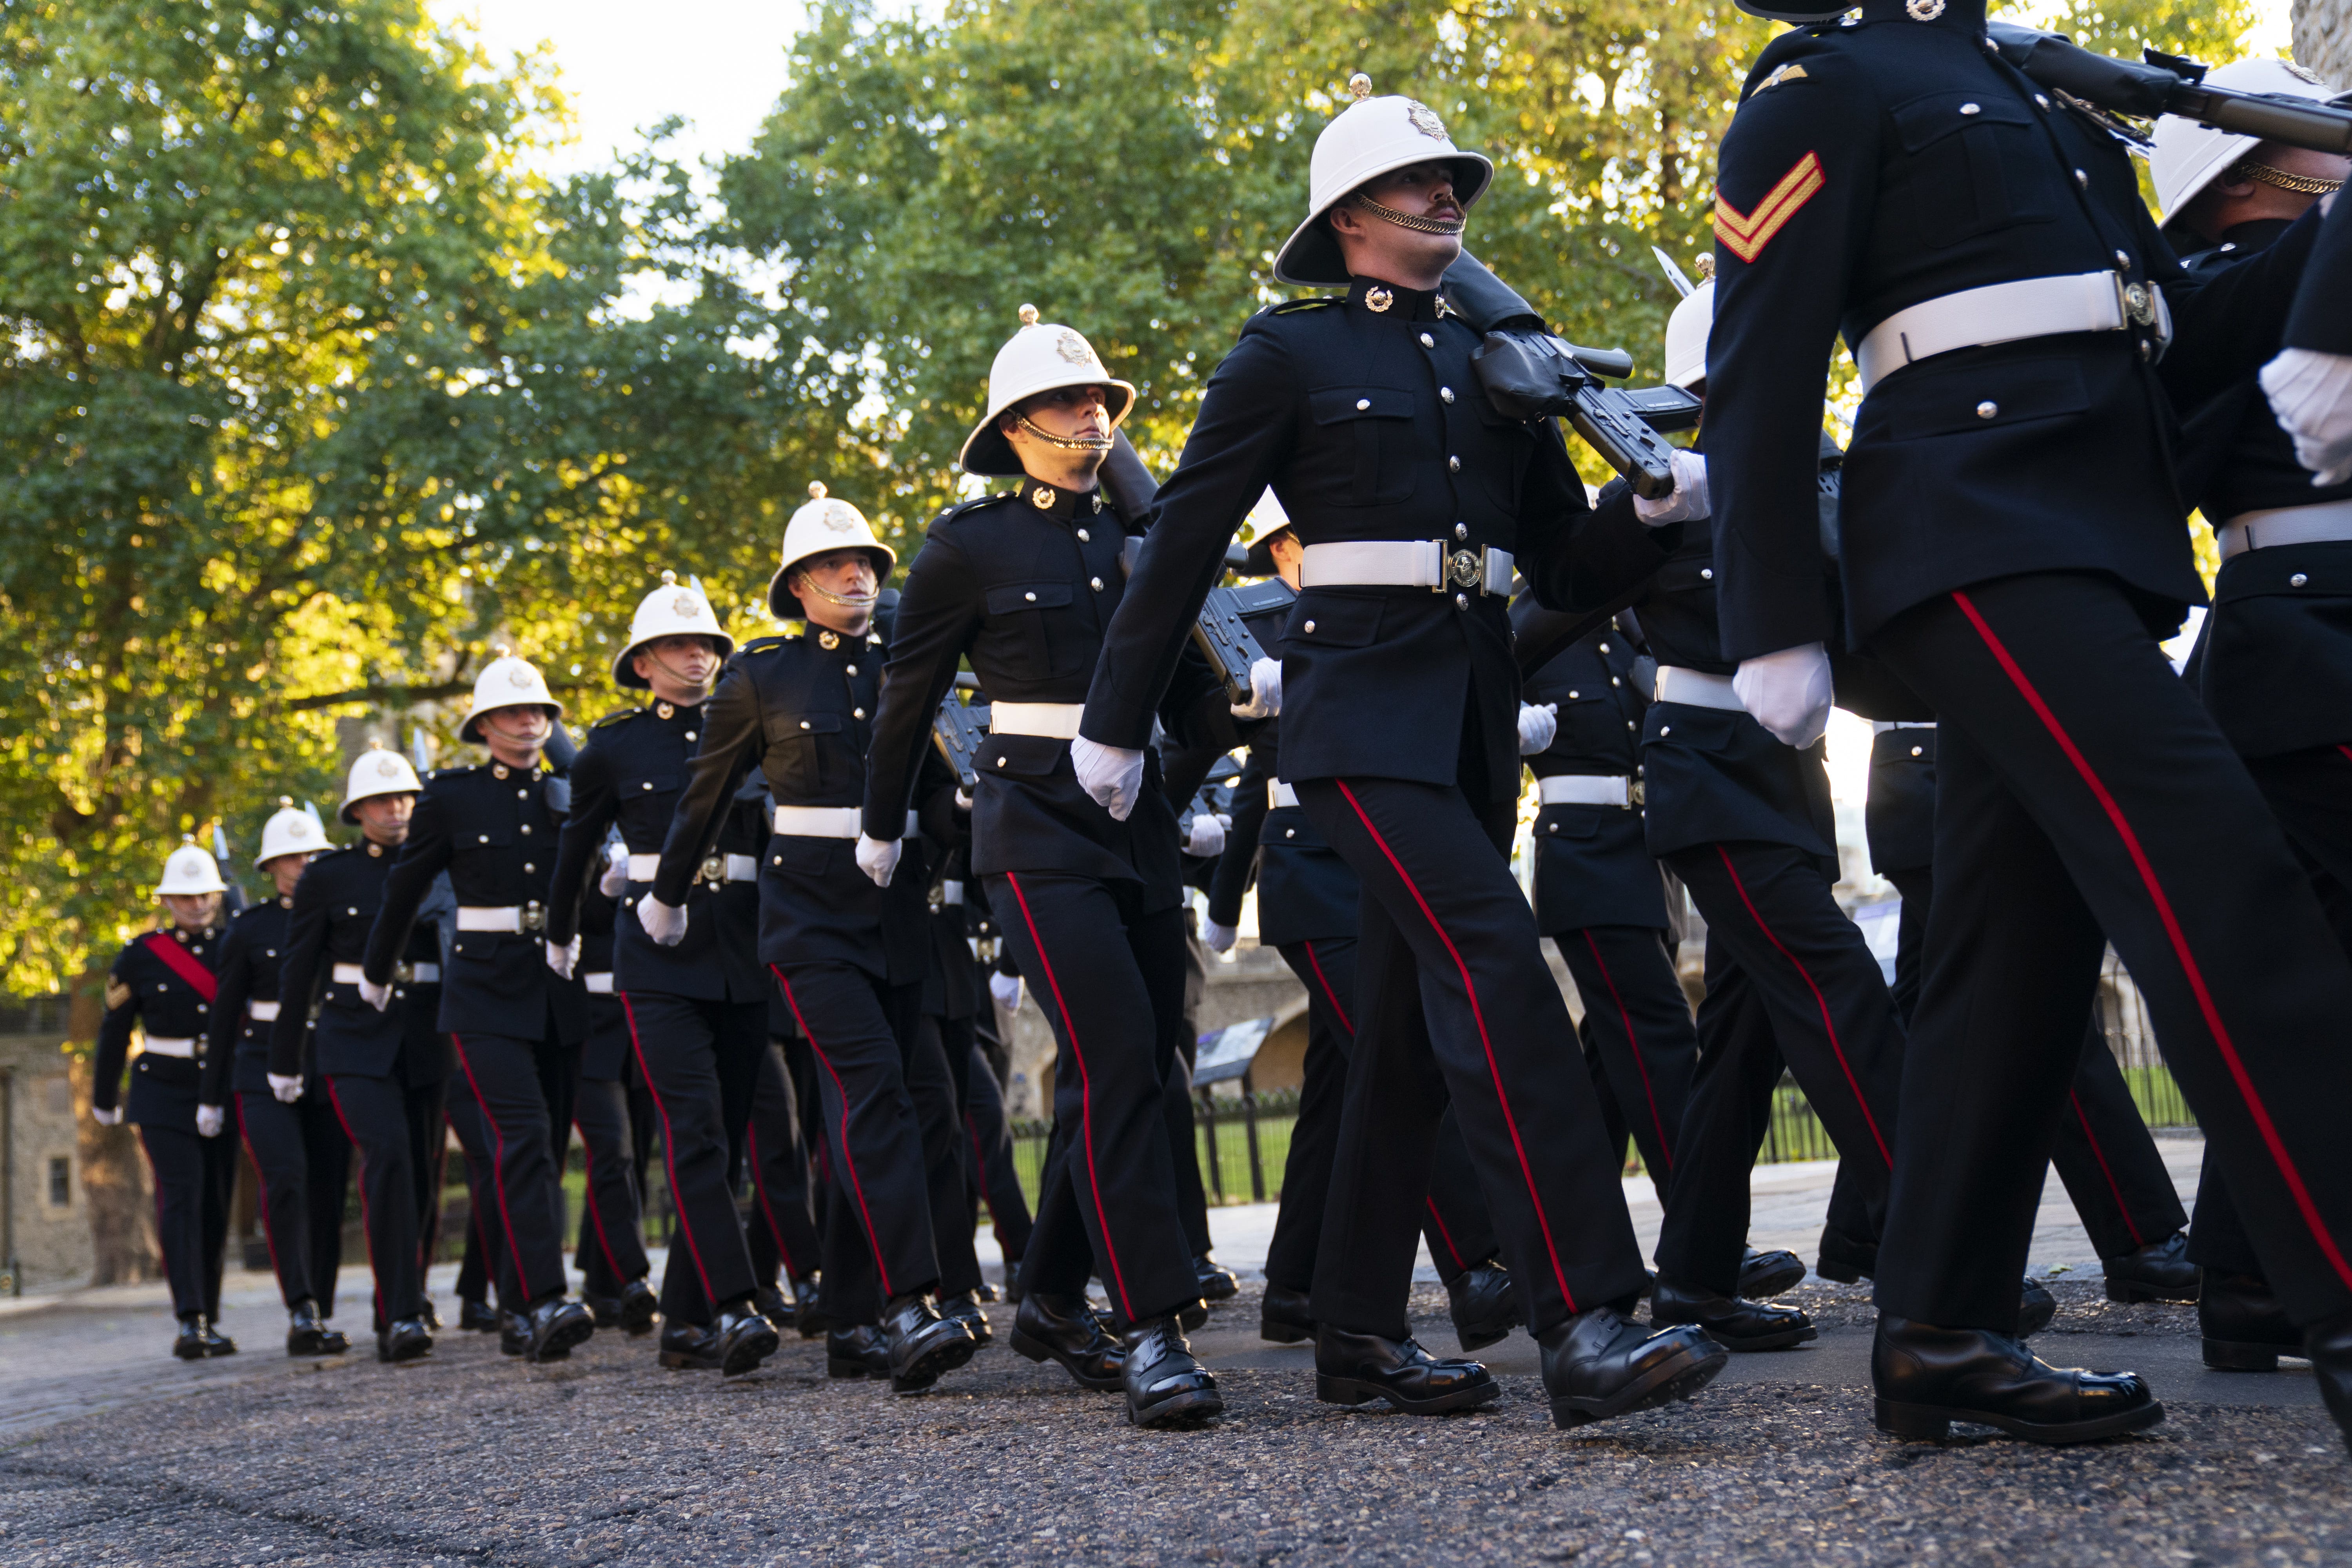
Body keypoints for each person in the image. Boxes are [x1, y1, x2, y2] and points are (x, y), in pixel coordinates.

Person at [1706, 0, 2352, 1448]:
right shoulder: (1828, 80)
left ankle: (1936, 1325)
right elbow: (1756, 360)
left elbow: (2168, 341)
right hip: (1968, 526)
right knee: (2218, 867)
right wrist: (1767, 617)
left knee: (2015, 958)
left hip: (2094, 540)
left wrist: (2330, 241)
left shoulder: (2044, 90)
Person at [1074, 77, 1726, 1430]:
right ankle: (1587, 1316)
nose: (1452, 200)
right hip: (1359, 717)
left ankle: (1360, 1335)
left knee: (1402, 1052)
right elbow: (1182, 543)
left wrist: (1652, 507)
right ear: (1355, 217)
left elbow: (1561, 561)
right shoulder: (1287, 354)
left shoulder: (1498, 368)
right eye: (1425, 185)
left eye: (1456, 185)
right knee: (1498, 970)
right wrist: (1114, 723)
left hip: (1473, 717)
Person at [863, 310, 1236, 1429]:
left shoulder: (1146, 537)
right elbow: (908, 701)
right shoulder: (965, 546)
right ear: (1017, 427)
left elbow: (1187, 692)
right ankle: (1154, 1326)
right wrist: (882, 820)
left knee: (1142, 1064)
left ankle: (1051, 1295)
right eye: (1074, 406)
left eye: (1102, 406)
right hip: (1031, 829)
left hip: (1139, 823)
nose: (1095, 419)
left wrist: (1237, 713)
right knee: (1119, 1056)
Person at [646, 491, 974, 1394]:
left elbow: (935, 801)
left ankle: (852, 1318)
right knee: (870, 1092)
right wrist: (667, 893)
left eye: (867, 562)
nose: (856, 575)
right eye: (835, 566)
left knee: (920, 1102)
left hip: (899, 911)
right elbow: (705, 796)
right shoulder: (761, 677)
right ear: (797, 586)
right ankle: (911, 1302)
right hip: (809, 919)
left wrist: (963, 808)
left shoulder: (914, 661)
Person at [1207, 497, 1524, 1353]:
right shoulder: (1248, 620)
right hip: (1313, 865)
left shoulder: (1395, 604)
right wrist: (1218, 898)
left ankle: (1300, 1286)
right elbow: (1197, 752)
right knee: (1401, 1060)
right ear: (1282, 545)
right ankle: (1476, 1262)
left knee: (1339, 1085)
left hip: (1390, 840)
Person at [2151, 60, 2352, 1372]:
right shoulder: (2238, 284)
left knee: (2316, 963)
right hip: (2313, 630)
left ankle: (2246, 1274)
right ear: (2264, 170)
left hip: (2302, 636)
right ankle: (2256, 1274)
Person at [545, 574, 780, 1377]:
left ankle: (683, 1317)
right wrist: (560, 933)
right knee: (697, 1130)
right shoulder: (611, 746)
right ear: (643, 662)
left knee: (733, 1137)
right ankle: (733, 1303)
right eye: (680, 646)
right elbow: (577, 850)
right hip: (656, 953)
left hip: (743, 948)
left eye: (709, 644)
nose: (699, 656)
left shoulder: (754, 726)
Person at [362, 651, 597, 1365]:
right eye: (513, 714)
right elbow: (406, 886)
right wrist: (378, 966)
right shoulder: (451, 797)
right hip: (484, 987)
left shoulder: (569, 793)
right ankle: (549, 1295)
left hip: (557, 983)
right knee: (521, 1140)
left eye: (538, 713)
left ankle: (522, 1302)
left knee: (549, 1146)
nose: (529, 725)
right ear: (485, 726)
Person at [273, 744, 448, 1363]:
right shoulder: (328, 877)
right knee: (390, 1159)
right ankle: (398, 1314)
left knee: (424, 1174)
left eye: (403, 797)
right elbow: (298, 973)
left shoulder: (442, 862)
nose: (395, 810)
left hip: (427, 1034)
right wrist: (285, 1056)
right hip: (353, 1038)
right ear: (357, 810)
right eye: (381, 800)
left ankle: (406, 1298)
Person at [200, 799, 350, 1356]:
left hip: (329, 1056)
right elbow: (223, 1017)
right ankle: (302, 1308)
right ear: (271, 868)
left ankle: (323, 1300)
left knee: (329, 1185)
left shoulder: (343, 917)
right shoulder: (248, 929)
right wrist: (212, 1096)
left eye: (312, 853)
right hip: (260, 1066)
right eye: (291, 857)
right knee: (285, 1178)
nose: (304, 863)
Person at [93, 837, 240, 1359]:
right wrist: (104, 1095)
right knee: (182, 1195)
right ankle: (190, 1319)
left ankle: (210, 1314)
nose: (197, 905)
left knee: (216, 1201)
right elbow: (115, 1029)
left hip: (221, 1086)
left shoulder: (236, 945)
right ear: (167, 900)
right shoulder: (141, 955)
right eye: (185, 896)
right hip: (161, 1088)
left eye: (205, 895)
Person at [570, 839, 658, 1336]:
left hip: (639, 1013)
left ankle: (601, 1284)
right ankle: (632, 1277)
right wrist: (598, 889)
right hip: (589, 1018)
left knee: (632, 1156)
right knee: (613, 1151)